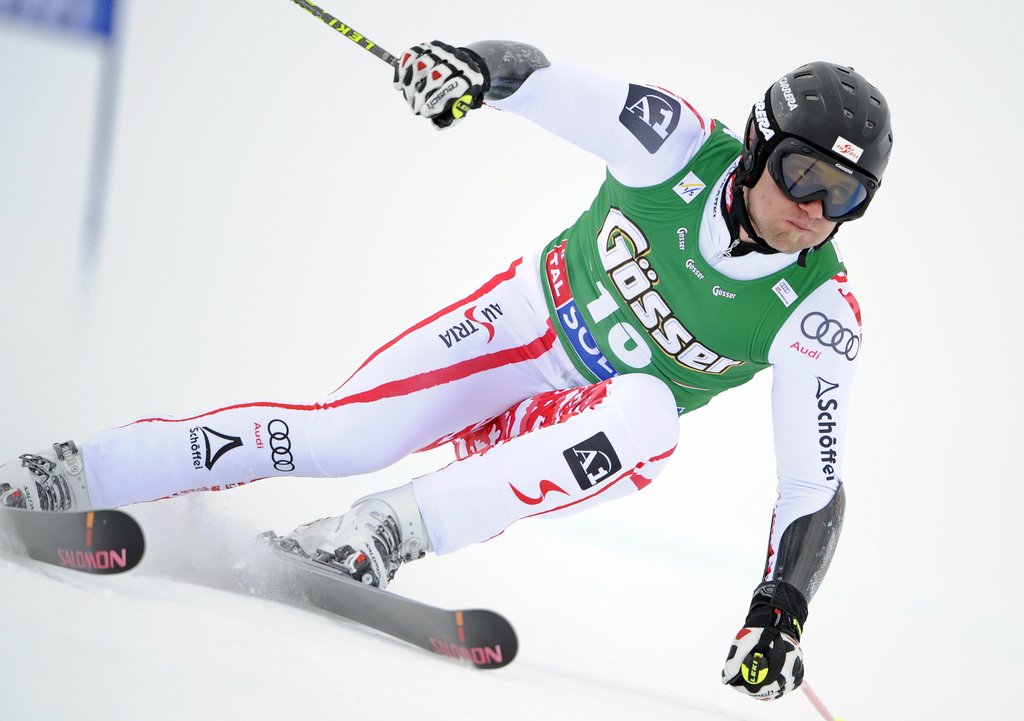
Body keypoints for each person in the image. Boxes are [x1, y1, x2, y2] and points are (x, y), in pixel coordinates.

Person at [0, 40, 892, 701]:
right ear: (757, 146)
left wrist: (780, 612)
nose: (815, 209)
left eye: (845, 196)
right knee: (343, 436)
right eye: (802, 173)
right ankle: (69, 471)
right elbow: (543, 81)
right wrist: (469, 70)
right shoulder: (675, 144)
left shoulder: (819, 312)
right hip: (519, 327)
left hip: (586, 421)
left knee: (651, 418)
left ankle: (381, 532)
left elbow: (811, 482)